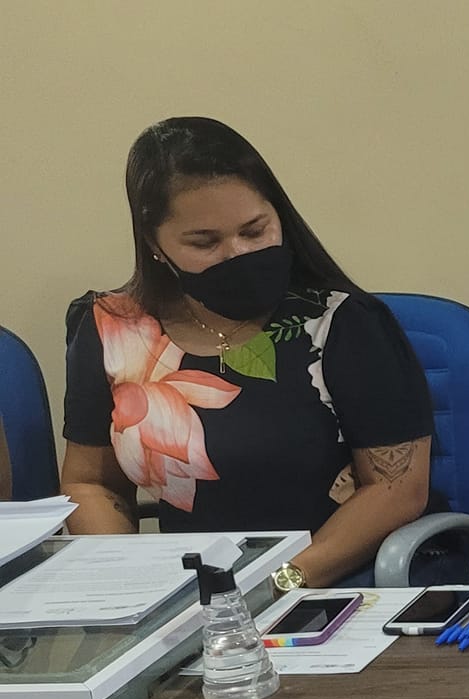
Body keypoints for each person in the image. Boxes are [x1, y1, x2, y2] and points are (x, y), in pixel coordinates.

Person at [61, 117, 433, 590]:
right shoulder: (113, 330)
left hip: (336, 580)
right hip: (193, 595)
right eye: (205, 242)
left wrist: (277, 584)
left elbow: (397, 490)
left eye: (255, 231)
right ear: (155, 244)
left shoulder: (344, 323)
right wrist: (128, 582)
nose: (237, 253)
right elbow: (92, 483)